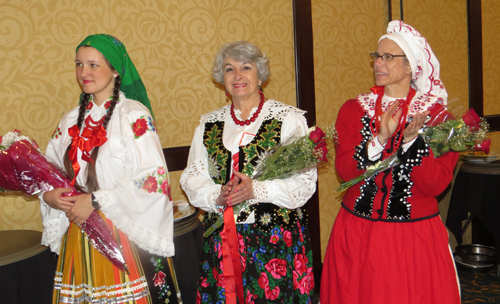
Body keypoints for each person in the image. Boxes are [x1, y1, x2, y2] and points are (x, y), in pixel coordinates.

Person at [320, 20, 461, 304]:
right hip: (357, 232)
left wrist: (411, 142)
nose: (378, 63)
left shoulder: (438, 118)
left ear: (411, 66)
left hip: (413, 238)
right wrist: (380, 139)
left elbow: (436, 184)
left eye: (388, 57)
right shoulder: (353, 110)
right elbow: (345, 171)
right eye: (377, 56)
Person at [39, 34, 179, 304]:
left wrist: (95, 200)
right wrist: (50, 196)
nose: (83, 72)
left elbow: (152, 179)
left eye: (93, 65)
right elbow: (50, 170)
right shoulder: (70, 119)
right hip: (78, 234)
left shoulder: (133, 115)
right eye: (79, 64)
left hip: (123, 234)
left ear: (115, 69)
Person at [180, 41, 317, 304]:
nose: (238, 76)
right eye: (229, 69)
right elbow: (192, 178)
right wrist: (217, 196)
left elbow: (304, 183)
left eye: (246, 67)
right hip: (222, 240)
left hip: (276, 240)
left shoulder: (288, 119)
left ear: (260, 74)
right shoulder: (209, 124)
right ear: (222, 78)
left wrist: (257, 189)